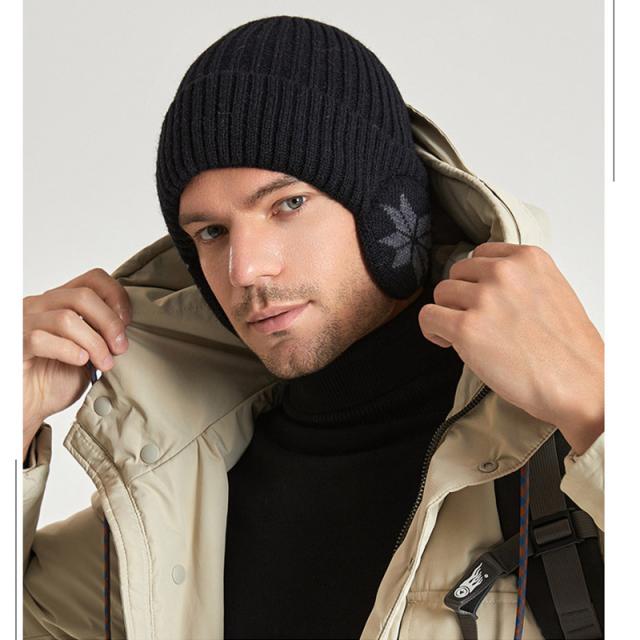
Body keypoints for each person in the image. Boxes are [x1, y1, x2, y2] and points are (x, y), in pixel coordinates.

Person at [22, 15, 604, 640]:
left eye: (288, 204)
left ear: (388, 210)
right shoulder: (178, 500)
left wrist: (601, 408)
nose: (244, 269)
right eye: (211, 232)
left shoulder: (563, 446)